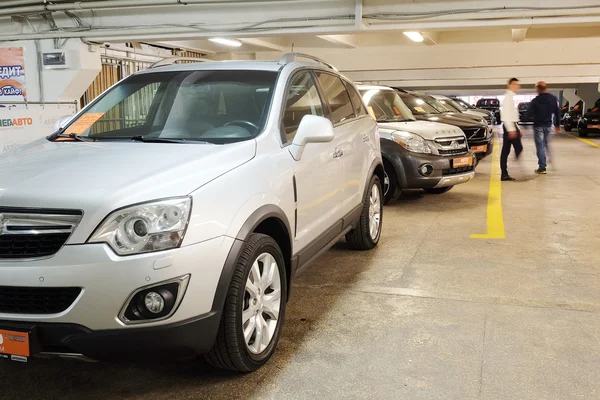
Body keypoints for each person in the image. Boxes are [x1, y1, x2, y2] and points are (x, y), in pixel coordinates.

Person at [529, 81, 560, 174]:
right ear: (545, 88)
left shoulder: (535, 100)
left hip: (538, 125)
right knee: (546, 143)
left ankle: (542, 167)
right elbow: (557, 112)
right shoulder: (553, 99)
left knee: (540, 146)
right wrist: (557, 125)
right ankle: (549, 159)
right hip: (548, 125)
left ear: (538, 89)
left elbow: (529, 113)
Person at [500, 78, 523, 181]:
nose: (516, 86)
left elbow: (513, 116)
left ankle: (504, 174)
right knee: (517, 148)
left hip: (512, 126)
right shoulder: (508, 98)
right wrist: (511, 130)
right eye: (514, 84)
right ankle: (504, 173)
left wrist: (518, 128)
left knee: (506, 150)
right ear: (508, 85)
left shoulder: (511, 97)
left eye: (517, 85)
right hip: (509, 127)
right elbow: (505, 115)